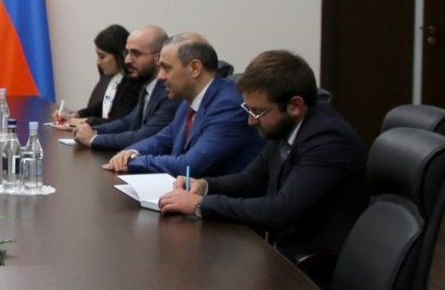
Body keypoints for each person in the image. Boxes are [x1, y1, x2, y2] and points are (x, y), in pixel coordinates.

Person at [157, 50, 368, 273]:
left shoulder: (327, 140)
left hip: (313, 268)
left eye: (258, 112)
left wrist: (200, 205)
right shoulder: (283, 126)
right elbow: (249, 180)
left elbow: (281, 211)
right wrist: (204, 185)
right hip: (281, 254)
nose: (250, 121)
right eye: (248, 109)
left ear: (295, 106)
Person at [103, 34, 262, 176]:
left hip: (217, 197)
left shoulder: (228, 105)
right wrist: (131, 152)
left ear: (194, 68)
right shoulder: (189, 100)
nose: (160, 76)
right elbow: (163, 139)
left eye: (166, 68)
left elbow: (189, 166)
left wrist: (134, 162)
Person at [71, 25, 177, 151]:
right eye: (127, 53)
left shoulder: (170, 92)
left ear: (158, 57)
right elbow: (127, 122)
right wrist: (91, 129)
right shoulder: (147, 85)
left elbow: (143, 137)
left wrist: (93, 139)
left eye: (135, 54)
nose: (127, 60)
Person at [55, 24, 140, 127]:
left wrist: (85, 122)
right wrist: (76, 115)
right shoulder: (117, 77)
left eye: (102, 57)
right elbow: (103, 106)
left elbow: (118, 122)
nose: (98, 63)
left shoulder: (135, 85)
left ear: (120, 54)